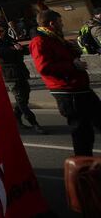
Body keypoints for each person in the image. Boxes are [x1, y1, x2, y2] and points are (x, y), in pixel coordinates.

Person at [31, 9, 101, 156]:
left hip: (80, 87)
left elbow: (62, 57)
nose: (62, 24)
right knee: (82, 132)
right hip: (67, 91)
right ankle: (82, 169)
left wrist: (74, 50)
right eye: (60, 22)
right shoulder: (40, 41)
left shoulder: (55, 37)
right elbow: (44, 68)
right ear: (52, 23)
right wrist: (73, 65)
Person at [0, 21, 45, 133]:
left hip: (21, 71)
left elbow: (24, 50)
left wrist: (21, 49)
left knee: (25, 96)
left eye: (1, 31)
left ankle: (16, 117)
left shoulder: (9, 39)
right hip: (8, 75)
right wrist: (14, 50)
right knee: (20, 99)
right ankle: (34, 123)